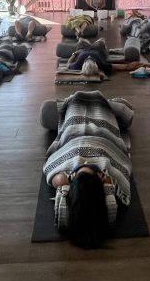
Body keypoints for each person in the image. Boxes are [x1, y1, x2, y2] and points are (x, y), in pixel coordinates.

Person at [42, 91, 134, 248]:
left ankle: (105, 102)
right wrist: (63, 183)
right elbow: (51, 171)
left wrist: (108, 184)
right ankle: (107, 102)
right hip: (98, 105)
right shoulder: (63, 179)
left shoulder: (109, 177)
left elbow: (120, 180)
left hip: (79, 106)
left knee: (46, 111)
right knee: (126, 114)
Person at [66, 39, 141, 75]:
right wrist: (143, 65)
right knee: (101, 40)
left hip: (82, 49)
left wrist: (74, 54)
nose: (89, 56)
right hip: (99, 49)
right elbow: (126, 67)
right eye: (91, 58)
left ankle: (86, 42)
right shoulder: (102, 65)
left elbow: (68, 64)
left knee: (81, 40)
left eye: (87, 58)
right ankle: (98, 43)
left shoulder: (77, 65)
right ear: (96, 65)